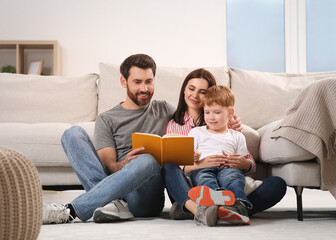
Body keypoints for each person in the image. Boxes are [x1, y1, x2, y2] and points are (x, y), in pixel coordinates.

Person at [42, 53, 175, 224]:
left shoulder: (165, 109)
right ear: (123, 81)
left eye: (148, 81)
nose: (144, 89)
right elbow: (109, 167)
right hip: (118, 186)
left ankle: (71, 210)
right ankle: (113, 204)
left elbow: (192, 124)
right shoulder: (107, 119)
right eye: (137, 82)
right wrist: (126, 164)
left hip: (145, 199)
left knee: (148, 159)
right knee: (72, 133)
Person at [162, 68, 287, 226]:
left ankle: (217, 210)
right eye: (191, 89)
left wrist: (244, 163)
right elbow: (178, 167)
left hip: (229, 175)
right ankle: (201, 208)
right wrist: (199, 164)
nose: (194, 95)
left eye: (202, 92)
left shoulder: (228, 124)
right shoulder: (176, 125)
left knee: (277, 184)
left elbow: (244, 156)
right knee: (169, 166)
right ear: (184, 89)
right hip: (193, 183)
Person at [188, 85, 252, 225]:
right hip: (203, 168)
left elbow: (243, 159)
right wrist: (194, 158)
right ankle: (214, 202)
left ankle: (238, 206)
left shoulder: (237, 136)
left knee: (233, 178)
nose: (211, 117)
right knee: (203, 177)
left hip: (227, 168)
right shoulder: (196, 133)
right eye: (207, 112)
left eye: (217, 112)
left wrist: (238, 162)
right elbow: (186, 160)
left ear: (230, 113)